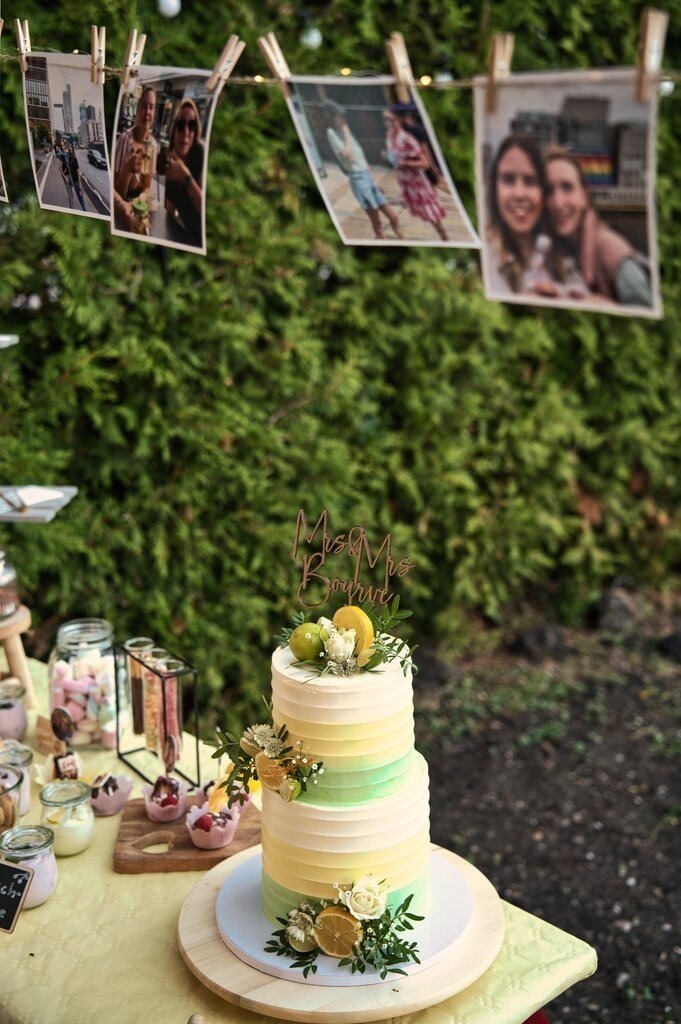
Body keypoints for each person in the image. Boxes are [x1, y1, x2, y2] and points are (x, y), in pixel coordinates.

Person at [544, 150, 652, 307]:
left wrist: (608, 308)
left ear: (585, 197)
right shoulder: (555, 248)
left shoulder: (610, 249)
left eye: (567, 187)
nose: (557, 203)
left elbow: (645, 315)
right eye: (549, 191)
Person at [486, 134, 560, 295]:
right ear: (494, 189)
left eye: (530, 181)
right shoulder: (484, 256)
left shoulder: (562, 255)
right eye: (508, 179)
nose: (519, 194)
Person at [321, 99, 402, 241]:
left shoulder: (345, 131)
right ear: (332, 117)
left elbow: (361, 156)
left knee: (393, 217)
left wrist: (374, 181)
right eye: (339, 115)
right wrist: (346, 133)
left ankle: (400, 238)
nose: (343, 118)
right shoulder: (331, 132)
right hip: (358, 179)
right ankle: (382, 241)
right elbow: (349, 156)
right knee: (377, 221)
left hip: (367, 176)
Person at [384, 107, 449, 241]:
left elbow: (425, 160)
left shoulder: (409, 137)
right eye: (385, 119)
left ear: (399, 120)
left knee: (432, 213)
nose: (387, 122)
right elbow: (395, 156)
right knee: (425, 212)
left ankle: (445, 237)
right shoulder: (390, 137)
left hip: (418, 183)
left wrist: (408, 164)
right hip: (406, 183)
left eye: (391, 119)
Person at [113, 86, 158, 231]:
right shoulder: (125, 138)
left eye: (151, 107)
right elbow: (115, 190)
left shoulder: (153, 146)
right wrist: (128, 169)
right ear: (137, 110)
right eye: (144, 106)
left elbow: (146, 187)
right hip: (120, 208)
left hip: (136, 209)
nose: (147, 112)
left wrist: (139, 201)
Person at [164, 99, 204, 247]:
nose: (186, 133)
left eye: (191, 125)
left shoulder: (200, 155)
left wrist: (186, 177)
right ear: (173, 130)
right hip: (186, 240)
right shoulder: (172, 161)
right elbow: (170, 207)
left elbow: (205, 209)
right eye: (180, 125)